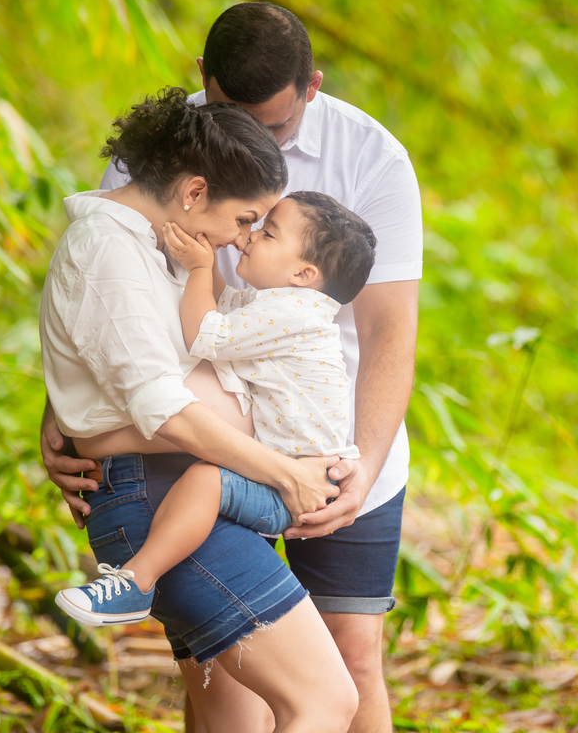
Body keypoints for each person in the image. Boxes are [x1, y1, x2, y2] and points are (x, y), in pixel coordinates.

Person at [42, 2, 421, 733]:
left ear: (310, 88)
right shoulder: (167, 153)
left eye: (273, 126)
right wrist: (64, 421)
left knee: (349, 661)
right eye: (249, 219)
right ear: (202, 81)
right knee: (227, 686)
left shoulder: (373, 157)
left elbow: (389, 335)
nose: (247, 237)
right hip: (198, 446)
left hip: (331, 446)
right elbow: (107, 320)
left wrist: (361, 467)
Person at [54, 191, 377, 626]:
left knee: (206, 479)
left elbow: (205, 333)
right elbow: (221, 307)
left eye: (266, 233)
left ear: (303, 273)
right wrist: (200, 268)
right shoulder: (284, 305)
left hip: (297, 482)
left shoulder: (293, 313)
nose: (248, 238)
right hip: (297, 471)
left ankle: (136, 582)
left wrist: (202, 269)